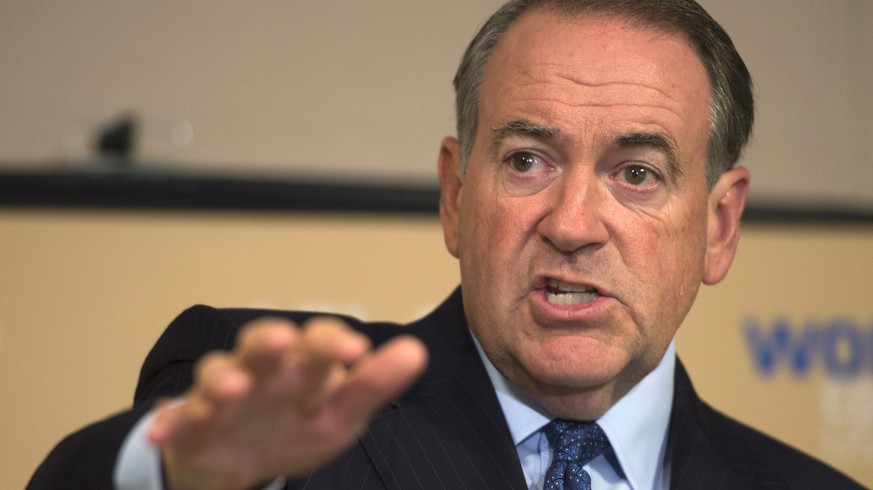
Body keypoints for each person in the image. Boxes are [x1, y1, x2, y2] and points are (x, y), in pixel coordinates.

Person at [29, 1, 863, 489]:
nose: (572, 224)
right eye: (527, 160)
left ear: (718, 225)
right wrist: (175, 475)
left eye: (636, 174)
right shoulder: (285, 431)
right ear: (457, 193)